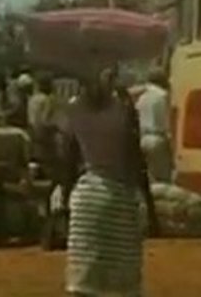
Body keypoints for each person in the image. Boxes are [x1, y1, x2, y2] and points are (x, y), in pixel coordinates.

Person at [57, 51, 159, 297]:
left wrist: (64, 201)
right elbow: (135, 159)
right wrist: (149, 205)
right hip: (118, 199)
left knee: (83, 282)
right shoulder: (123, 107)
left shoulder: (73, 108)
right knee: (124, 284)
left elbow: (69, 160)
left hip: (86, 200)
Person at [135, 67, 173, 183]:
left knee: (150, 177)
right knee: (163, 177)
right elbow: (168, 120)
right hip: (158, 139)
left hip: (143, 139)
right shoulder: (163, 96)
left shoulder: (142, 98)